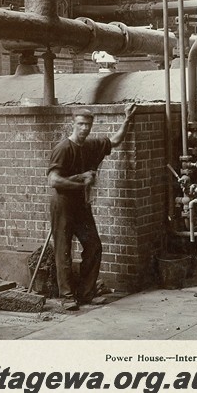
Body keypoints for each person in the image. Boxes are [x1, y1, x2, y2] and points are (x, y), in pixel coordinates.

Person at [47, 104, 137, 310]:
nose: (84, 128)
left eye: (88, 125)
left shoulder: (90, 145)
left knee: (94, 246)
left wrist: (127, 120)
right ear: (73, 124)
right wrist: (80, 181)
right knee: (63, 250)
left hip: (80, 204)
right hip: (62, 203)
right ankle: (67, 297)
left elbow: (115, 140)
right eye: (80, 124)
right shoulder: (62, 149)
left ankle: (86, 293)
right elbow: (53, 181)